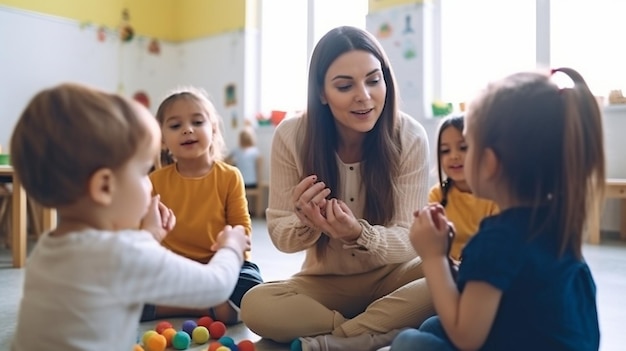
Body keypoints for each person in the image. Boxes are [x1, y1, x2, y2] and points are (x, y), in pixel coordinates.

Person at [10, 83, 250, 351]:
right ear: (104, 187)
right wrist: (231, 245)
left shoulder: (46, 250)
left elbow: (123, 262)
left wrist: (150, 237)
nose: (149, 183)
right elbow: (215, 286)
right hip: (207, 277)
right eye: (141, 172)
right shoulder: (124, 253)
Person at [240, 26, 434, 351]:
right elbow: (279, 233)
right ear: (321, 93)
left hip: (394, 277)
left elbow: (411, 238)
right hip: (325, 284)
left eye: (374, 80)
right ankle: (368, 334)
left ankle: (341, 339)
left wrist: (359, 234)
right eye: (345, 86)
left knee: (453, 273)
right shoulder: (292, 136)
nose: (365, 96)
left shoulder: (410, 136)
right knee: (255, 304)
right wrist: (306, 222)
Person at [392, 67, 603, 351]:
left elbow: (466, 337)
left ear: (489, 163)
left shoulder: (497, 241)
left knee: (408, 342)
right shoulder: (559, 221)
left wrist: (433, 256)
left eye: (469, 145)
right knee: (432, 326)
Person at [141, 87, 263, 324]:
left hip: (221, 266)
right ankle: (208, 307)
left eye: (197, 122)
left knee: (253, 290)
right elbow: (144, 238)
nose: (187, 129)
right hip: (174, 269)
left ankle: (186, 304)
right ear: (163, 141)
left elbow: (241, 230)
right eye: (175, 126)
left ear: (213, 129)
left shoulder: (230, 176)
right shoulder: (154, 181)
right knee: (122, 288)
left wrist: (227, 253)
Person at [428, 114, 499, 261]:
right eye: (445, 151)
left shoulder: (496, 196)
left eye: (463, 148)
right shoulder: (437, 195)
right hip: (445, 268)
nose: (454, 156)